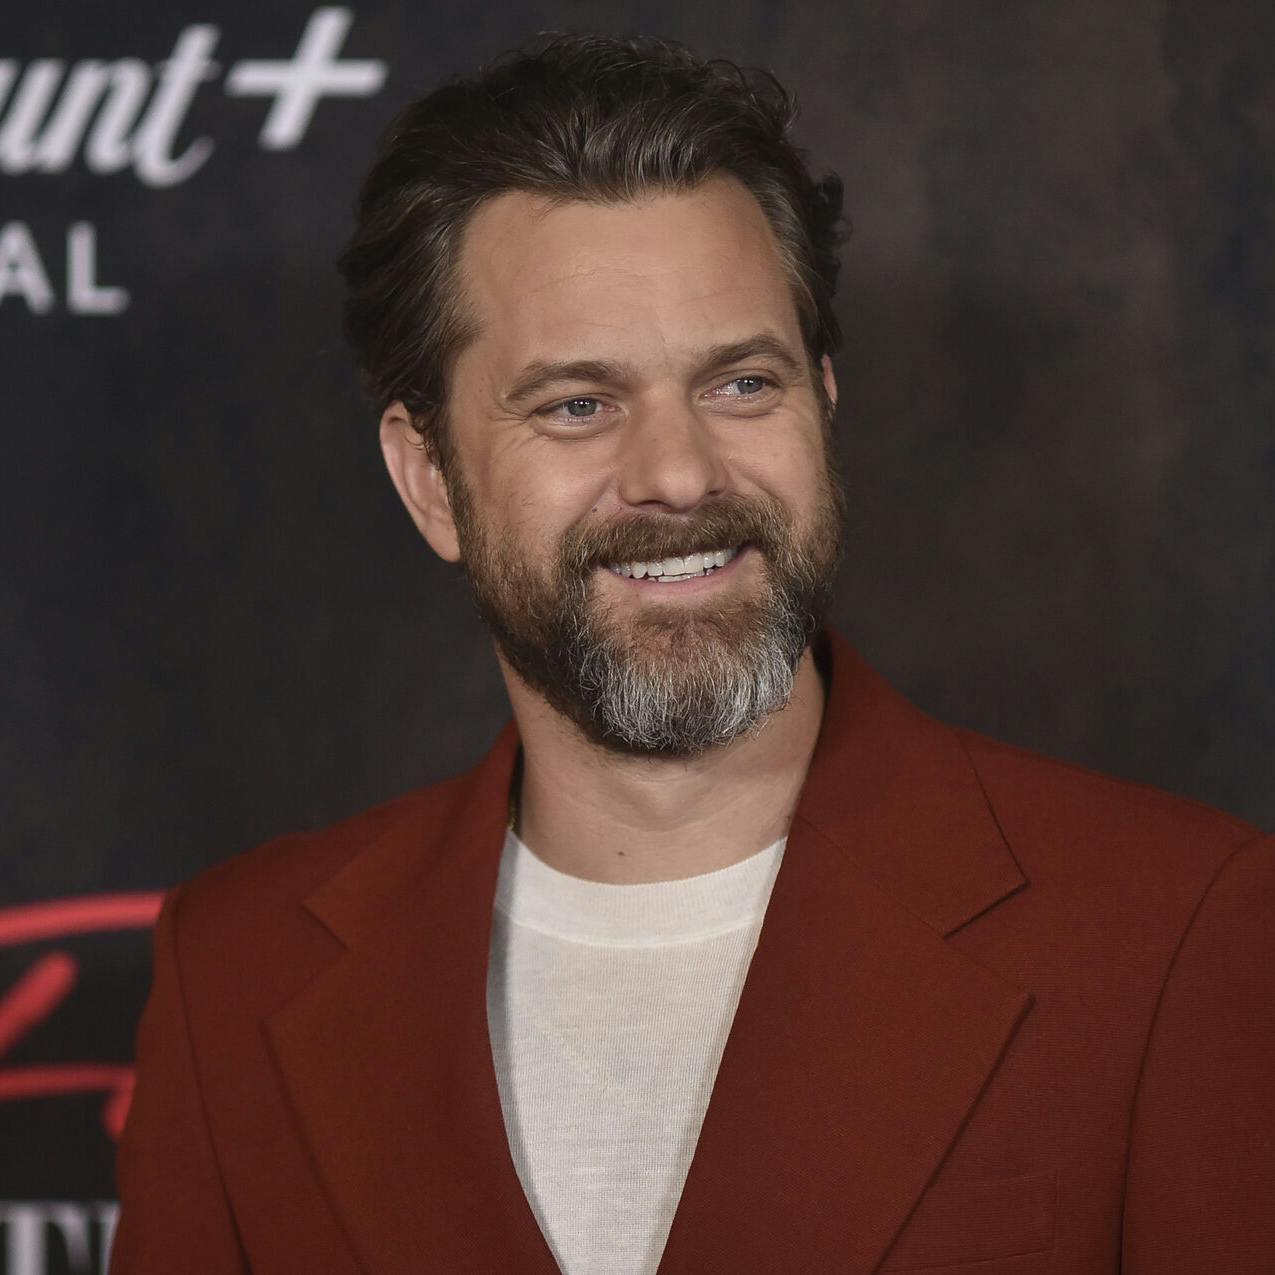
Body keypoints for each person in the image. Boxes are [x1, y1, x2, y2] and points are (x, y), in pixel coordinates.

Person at [110, 32, 1273, 1275]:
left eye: (740, 385)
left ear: (823, 403)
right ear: (429, 480)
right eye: (576, 404)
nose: (678, 474)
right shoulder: (236, 975)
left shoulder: (1171, 932)